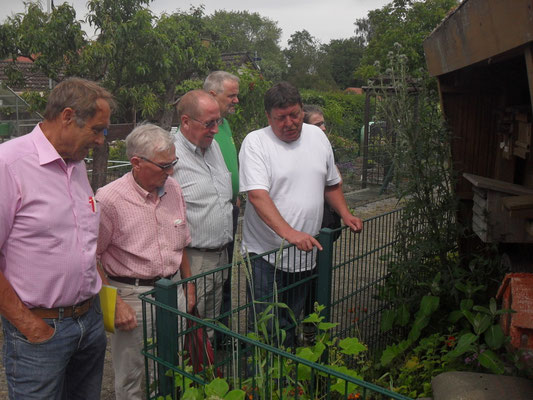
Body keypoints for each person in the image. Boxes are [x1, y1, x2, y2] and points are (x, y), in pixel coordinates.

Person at [0, 77, 113, 399]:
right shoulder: (8, 164)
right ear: (67, 117)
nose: (101, 140)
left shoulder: (75, 164)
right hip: (40, 330)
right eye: (97, 129)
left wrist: (103, 302)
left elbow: (81, 243)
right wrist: (30, 326)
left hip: (89, 322)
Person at [239, 82, 363, 348]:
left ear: (302, 110)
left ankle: (288, 371)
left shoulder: (317, 137)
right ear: (268, 117)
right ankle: (261, 374)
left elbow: (331, 184)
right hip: (265, 255)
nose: (289, 123)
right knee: (265, 330)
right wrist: (290, 234)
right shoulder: (256, 143)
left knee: (290, 323)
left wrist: (345, 213)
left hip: (303, 254)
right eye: (280, 118)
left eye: (294, 115)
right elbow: (257, 196)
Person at [95, 123, 195, 400]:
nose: (170, 172)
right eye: (164, 166)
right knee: (132, 376)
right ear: (136, 163)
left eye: (173, 163)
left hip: (172, 290)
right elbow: (90, 256)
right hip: (131, 296)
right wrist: (115, 304)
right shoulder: (109, 199)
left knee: (170, 364)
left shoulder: (173, 188)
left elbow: (181, 242)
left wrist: (189, 287)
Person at [173, 89, 233, 339]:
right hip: (193, 260)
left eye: (217, 121)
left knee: (208, 326)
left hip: (220, 256)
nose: (216, 130)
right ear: (186, 121)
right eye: (209, 123)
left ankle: (205, 363)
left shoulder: (214, 146)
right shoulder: (171, 155)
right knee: (185, 327)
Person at [204, 71, 240, 334]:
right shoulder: (202, 127)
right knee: (211, 275)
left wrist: (235, 195)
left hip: (230, 208)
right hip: (212, 213)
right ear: (212, 95)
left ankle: (222, 331)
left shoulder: (224, 125)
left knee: (226, 272)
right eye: (232, 95)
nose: (236, 100)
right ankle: (211, 332)